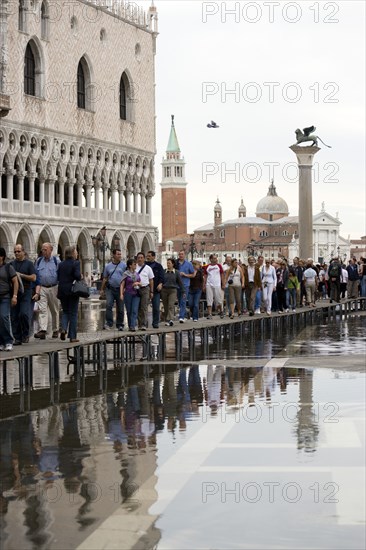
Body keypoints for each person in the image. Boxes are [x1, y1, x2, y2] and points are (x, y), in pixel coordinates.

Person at [10, 244, 36, 345]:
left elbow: (33, 278)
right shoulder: (11, 264)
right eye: (15, 252)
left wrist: (22, 275)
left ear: (23, 252)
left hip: (26, 291)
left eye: (18, 251)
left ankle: (25, 334)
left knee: (24, 314)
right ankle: (17, 338)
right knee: (14, 315)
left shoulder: (29, 264)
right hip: (15, 292)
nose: (16, 253)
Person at [33, 242, 60, 339]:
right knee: (42, 309)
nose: (43, 251)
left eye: (45, 249)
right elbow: (35, 274)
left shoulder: (57, 261)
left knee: (54, 310)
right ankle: (43, 330)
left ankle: (55, 330)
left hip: (54, 287)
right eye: (42, 249)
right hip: (42, 287)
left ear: (51, 250)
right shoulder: (39, 261)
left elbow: (60, 275)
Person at [57, 245, 81, 342]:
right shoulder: (76, 263)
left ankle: (63, 329)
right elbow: (77, 276)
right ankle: (72, 336)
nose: (77, 253)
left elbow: (58, 277)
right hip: (72, 290)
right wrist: (80, 276)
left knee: (65, 311)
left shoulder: (61, 264)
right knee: (73, 313)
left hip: (62, 290)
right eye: (76, 252)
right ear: (72, 253)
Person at [100, 249, 126, 331]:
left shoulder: (124, 265)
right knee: (108, 305)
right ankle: (109, 323)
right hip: (110, 289)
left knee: (121, 307)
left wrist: (125, 288)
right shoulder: (108, 266)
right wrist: (102, 289)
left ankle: (120, 324)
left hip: (120, 289)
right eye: (118, 254)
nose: (119, 256)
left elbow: (126, 277)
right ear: (113, 255)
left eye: (120, 254)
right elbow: (105, 278)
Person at [0, 247, 18, 351]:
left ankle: (8, 341)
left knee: (4, 318)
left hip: (5, 296)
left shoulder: (8, 267)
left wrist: (14, 296)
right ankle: (1, 342)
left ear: (2, 257)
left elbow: (15, 281)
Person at [161, 258, 185, 326]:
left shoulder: (176, 272)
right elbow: (161, 280)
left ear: (173, 264)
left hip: (173, 290)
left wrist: (183, 291)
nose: (168, 264)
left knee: (171, 305)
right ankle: (167, 319)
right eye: (167, 263)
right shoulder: (164, 271)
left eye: (169, 263)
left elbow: (180, 282)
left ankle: (170, 319)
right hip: (164, 290)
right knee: (165, 306)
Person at [120, 259, 141, 331]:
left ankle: (133, 326)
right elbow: (122, 285)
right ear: (130, 265)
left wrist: (137, 283)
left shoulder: (137, 274)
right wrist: (121, 294)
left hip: (136, 293)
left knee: (134, 310)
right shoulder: (125, 274)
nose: (136, 265)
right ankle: (130, 325)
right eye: (134, 264)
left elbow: (140, 282)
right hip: (128, 293)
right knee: (129, 311)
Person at [146, 251, 165, 329]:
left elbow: (162, 276)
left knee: (156, 307)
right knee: (144, 307)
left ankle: (155, 322)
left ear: (154, 257)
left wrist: (160, 283)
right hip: (146, 289)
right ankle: (144, 323)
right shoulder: (145, 265)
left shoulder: (158, 266)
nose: (148, 257)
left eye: (149, 256)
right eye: (147, 256)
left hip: (156, 290)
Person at [136, 252, 154, 330]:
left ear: (144, 259)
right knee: (137, 307)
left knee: (144, 307)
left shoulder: (148, 268)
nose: (140, 259)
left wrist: (151, 291)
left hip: (145, 288)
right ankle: (139, 324)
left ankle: (143, 324)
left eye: (141, 258)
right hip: (135, 289)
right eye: (138, 258)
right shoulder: (134, 267)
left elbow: (151, 280)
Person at [176, 250, 196, 322]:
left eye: (182, 254)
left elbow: (193, 274)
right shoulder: (176, 263)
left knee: (183, 300)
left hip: (185, 285)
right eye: (180, 254)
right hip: (177, 285)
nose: (181, 255)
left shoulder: (189, 264)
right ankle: (183, 315)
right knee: (179, 300)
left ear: (185, 255)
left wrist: (185, 274)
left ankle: (181, 316)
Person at [203, 254, 225, 319]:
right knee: (209, 299)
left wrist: (223, 284)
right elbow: (205, 276)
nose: (216, 260)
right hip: (209, 284)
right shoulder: (207, 267)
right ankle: (209, 314)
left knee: (218, 299)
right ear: (211, 259)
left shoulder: (219, 266)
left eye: (216, 258)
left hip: (217, 284)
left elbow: (222, 275)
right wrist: (204, 285)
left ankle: (221, 311)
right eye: (214, 258)